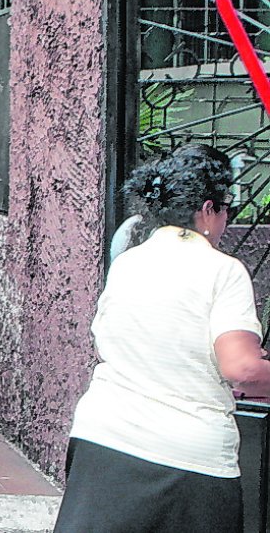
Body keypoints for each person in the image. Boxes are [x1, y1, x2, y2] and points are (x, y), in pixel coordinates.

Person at [53, 146, 270, 533]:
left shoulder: (129, 262)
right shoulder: (224, 270)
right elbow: (241, 368)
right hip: (187, 460)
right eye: (225, 209)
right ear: (206, 210)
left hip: (103, 439)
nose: (224, 220)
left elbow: (109, 342)